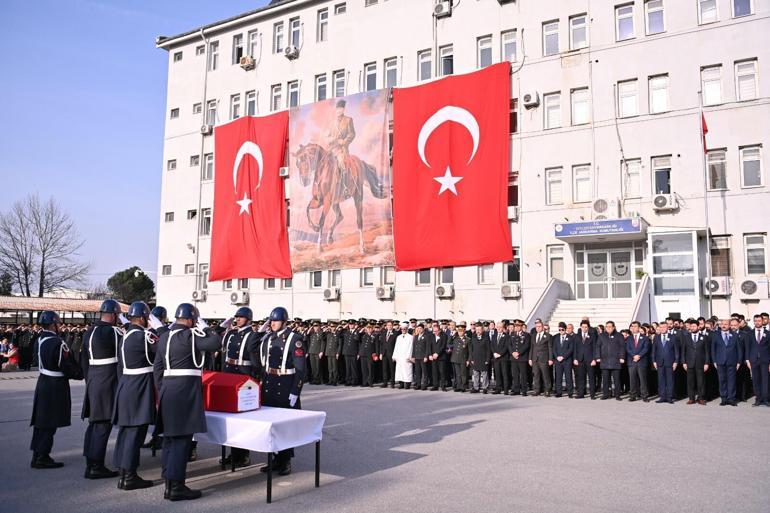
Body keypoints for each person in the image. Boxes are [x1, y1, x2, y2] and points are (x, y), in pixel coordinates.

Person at [153, 303, 221, 500]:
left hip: (168, 390)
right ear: (191, 319)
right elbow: (215, 343)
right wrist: (206, 327)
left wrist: (163, 389)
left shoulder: (164, 336)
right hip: (184, 393)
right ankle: (176, 487)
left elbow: (158, 368)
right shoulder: (190, 336)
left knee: (169, 438)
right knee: (181, 440)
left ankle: (169, 481)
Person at [30, 311, 83, 469]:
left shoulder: (39, 339)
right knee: (49, 421)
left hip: (43, 382)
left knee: (41, 421)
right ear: (53, 324)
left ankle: (37, 454)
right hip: (54, 384)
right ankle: (43, 456)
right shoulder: (57, 342)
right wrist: (79, 374)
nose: (59, 326)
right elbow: (65, 364)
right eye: (58, 323)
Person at [112, 301, 156, 490]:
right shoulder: (144, 336)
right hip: (140, 386)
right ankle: (130, 476)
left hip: (126, 385)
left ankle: (123, 472)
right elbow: (162, 352)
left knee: (126, 431)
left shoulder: (126, 335)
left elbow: (120, 367)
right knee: (136, 433)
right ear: (143, 318)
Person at [258, 306, 307, 476]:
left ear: (284, 322)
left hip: (286, 385)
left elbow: (301, 369)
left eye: (275, 321)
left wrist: (296, 391)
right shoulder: (268, 338)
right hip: (270, 384)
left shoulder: (295, 339)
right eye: (271, 321)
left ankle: (285, 460)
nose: (272, 324)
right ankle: (274, 459)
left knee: (284, 426)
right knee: (271, 425)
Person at [81, 299, 123, 479]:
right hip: (108, 379)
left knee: (94, 423)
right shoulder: (113, 332)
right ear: (114, 315)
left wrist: (88, 378)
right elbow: (123, 355)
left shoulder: (89, 331)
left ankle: (90, 461)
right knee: (103, 424)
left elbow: (83, 359)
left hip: (93, 378)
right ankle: (96, 466)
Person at [219, 306, 260, 468]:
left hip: (244, 377)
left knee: (243, 418)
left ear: (249, 319)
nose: (237, 319)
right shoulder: (231, 333)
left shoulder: (253, 335)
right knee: (231, 418)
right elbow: (223, 353)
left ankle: (243, 455)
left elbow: (256, 362)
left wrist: (255, 380)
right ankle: (234, 453)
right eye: (236, 317)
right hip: (230, 376)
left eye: (241, 317)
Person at [682, 318, 710, 405]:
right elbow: (683, 351)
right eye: (691, 326)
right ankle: (691, 398)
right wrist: (683, 362)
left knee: (701, 381)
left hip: (700, 363)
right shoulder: (686, 337)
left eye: (694, 326)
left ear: (698, 326)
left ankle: (701, 398)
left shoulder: (704, 337)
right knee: (690, 381)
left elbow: (707, 351)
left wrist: (706, 363)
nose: (692, 328)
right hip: (689, 363)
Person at [744, 314, 769, 406]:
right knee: (756, 380)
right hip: (753, 360)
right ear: (753, 322)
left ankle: (765, 399)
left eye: (759, 321)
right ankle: (758, 399)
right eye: (755, 321)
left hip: (765, 360)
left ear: (763, 321)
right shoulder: (749, 333)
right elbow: (747, 347)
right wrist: (747, 360)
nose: (757, 322)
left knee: (765, 380)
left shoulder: (768, 333)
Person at [596, 321, 624, 401]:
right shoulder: (601, 335)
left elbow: (622, 347)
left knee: (617, 379)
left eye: (610, 326)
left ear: (614, 327)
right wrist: (598, 357)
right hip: (604, 361)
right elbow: (598, 347)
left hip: (616, 361)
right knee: (605, 379)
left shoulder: (619, 335)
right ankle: (606, 394)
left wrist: (622, 357)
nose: (608, 328)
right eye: (607, 326)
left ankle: (617, 395)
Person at [652, 323, 679, 404]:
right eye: (661, 327)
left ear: (667, 328)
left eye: (664, 327)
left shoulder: (673, 337)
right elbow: (654, 350)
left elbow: (676, 351)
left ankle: (669, 397)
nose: (662, 328)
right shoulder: (656, 337)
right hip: (659, 362)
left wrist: (676, 362)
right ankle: (662, 397)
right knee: (661, 380)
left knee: (670, 380)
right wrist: (654, 361)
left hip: (670, 362)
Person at [626, 321, 650, 402]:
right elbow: (628, 349)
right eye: (632, 326)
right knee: (632, 379)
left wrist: (639, 356)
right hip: (632, 361)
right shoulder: (629, 338)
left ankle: (644, 396)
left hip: (641, 361)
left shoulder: (645, 338)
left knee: (643, 379)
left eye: (635, 326)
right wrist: (634, 356)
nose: (633, 328)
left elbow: (646, 348)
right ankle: (633, 395)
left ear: (639, 328)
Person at [574, 320, 597, 399]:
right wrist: (575, 358)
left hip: (590, 360)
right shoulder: (577, 336)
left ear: (588, 327)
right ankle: (581, 394)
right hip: (580, 360)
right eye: (583, 327)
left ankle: (592, 394)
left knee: (591, 377)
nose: (584, 328)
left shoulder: (593, 336)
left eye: (586, 327)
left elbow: (595, 348)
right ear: (580, 327)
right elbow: (575, 348)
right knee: (581, 377)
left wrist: (594, 359)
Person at [529, 319, 553, 397]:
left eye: (539, 326)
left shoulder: (548, 336)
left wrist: (550, 359)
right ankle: (537, 390)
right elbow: (532, 348)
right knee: (536, 375)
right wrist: (530, 358)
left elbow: (550, 348)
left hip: (544, 359)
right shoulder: (533, 336)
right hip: (535, 359)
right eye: (536, 327)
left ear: (542, 327)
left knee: (545, 375)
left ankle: (547, 390)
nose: (538, 328)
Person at [552, 322, 574, 398]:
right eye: (559, 330)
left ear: (565, 329)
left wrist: (563, 357)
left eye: (562, 329)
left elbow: (571, 349)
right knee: (558, 377)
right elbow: (554, 348)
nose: (561, 331)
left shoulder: (570, 337)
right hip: (558, 361)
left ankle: (570, 392)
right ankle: (559, 392)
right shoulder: (556, 337)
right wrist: (557, 356)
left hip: (567, 361)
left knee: (568, 377)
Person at [508, 320, 530, 396]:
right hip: (513, 358)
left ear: (521, 326)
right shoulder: (512, 334)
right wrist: (513, 353)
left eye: (518, 326)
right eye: (515, 326)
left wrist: (519, 353)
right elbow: (509, 345)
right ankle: (516, 389)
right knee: (515, 374)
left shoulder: (526, 335)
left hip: (522, 358)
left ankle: (524, 390)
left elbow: (526, 345)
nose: (516, 327)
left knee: (523, 375)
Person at [469, 322, 490, 394]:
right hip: (475, 358)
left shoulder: (486, 337)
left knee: (484, 374)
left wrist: (487, 359)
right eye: (476, 330)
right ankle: (476, 387)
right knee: (476, 373)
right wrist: (471, 358)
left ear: (482, 330)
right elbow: (471, 349)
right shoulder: (473, 337)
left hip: (483, 359)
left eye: (479, 330)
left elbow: (488, 350)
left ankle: (485, 388)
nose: (478, 331)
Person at [450, 322, 470, 392]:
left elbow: (470, 351)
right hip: (455, 358)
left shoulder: (468, 339)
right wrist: (452, 335)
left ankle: (463, 386)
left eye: (461, 331)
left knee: (463, 374)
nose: (460, 333)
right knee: (458, 374)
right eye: (459, 331)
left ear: (464, 331)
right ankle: (458, 386)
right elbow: (449, 343)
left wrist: (468, 360)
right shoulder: (455, 338)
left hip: (463, 359)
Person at [491, 321, 510, 394]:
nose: (499, 328)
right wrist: (494, 353)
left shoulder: (506, 336)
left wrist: (500, 354)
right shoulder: (494, 336)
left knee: (505, 374)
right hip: (496, 358)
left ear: (503, 328)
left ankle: (506, 389)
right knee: (497, 374)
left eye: (500, 327)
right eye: (498, 327)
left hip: (503, 358)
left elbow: (506, 346)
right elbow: (492, 345)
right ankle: (498, 388)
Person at [393, 322, 414, 389]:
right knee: (400, 371)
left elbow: (411, 347)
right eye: (402, 329)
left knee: (407, 371)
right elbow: (396, 347)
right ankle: (401, 384)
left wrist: (409, 357)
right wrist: (394, 356)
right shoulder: (398, 337)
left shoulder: (410, 337)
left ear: (407, 329)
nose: (403, 330)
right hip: (399, 357)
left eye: (404, 329)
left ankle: (408, 384)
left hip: (406, 356)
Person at [378, 320, 397, 388]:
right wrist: (380, 353)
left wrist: (395, 355)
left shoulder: (396, 333)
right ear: (386, 326)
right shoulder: (384, 333)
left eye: (390, 325)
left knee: (392, 368)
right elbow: (381, 344)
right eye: (388, 325)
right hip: (384, 353)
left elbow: (396, 345)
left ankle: (392, 382)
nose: (389, 326)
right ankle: (385, 382)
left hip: (392, 353)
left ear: (392, 326)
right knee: (384, 368)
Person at [429, 324, 448, 391]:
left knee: (442, 372)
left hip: (441, 357)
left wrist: (437, 353)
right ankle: (435, 385)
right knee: (434, 372)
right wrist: (430, 355)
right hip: (433, 357)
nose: (435, 333)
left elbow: (443, 346)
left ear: (439, 330)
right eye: (434, 331)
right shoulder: (431, 336)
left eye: (436, 331)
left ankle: (443, 386)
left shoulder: (444, 336)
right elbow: (429, 346)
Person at [341, 320, 360, 386]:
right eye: (349, 324)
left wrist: (358, 353)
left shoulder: (357, 332)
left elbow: (358, 339)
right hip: (346, 352)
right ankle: (348, 380)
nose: (351, 325)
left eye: (352, 324)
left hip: (354, 352)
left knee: (353, 367)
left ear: (354, 325)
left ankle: (354, 381)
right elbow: (339, 334)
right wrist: (344, 327)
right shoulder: (346, 331)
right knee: (348, 367)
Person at [411, 323, 429, 390]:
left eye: (420, 328)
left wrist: (426, 356)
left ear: (423, 329)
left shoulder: (426, 336)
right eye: (418, 329)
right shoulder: (416, 336)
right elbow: (414, 347)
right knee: (417, 371)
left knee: (424, 371)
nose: (419, 330)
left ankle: (424, 384)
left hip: (423, 356)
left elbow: (427, 347)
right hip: (417, 356)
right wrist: (413, 356)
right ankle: (418, 384)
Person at [325, 321, 341, 386]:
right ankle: (330, 380)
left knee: (334, 368)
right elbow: (323, 337)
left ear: (336, 327)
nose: (332, 328)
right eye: (331, 326)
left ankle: (335, 380)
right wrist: (327, 329)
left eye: (333, 326)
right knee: (330, 368)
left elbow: (339, 344)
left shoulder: (338, 334)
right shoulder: (328, 333)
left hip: (334, 352)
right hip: (329, 352)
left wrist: (338, 353)